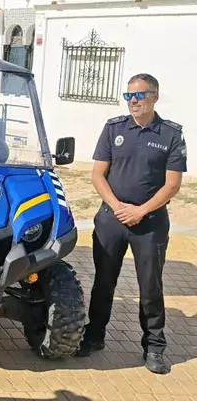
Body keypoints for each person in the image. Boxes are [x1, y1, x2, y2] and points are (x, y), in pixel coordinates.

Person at [77, 73, 187, 374]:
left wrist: (140, 211)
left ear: (155, 96)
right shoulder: (114, 128)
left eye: (139, 95)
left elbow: (172, 185)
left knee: (150, 286)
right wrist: (117, 208)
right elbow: (97, 174)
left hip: (149, 222)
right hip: (112, 219)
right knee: (103, 282)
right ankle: (94, 336)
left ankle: (154, 347)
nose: (133, 101)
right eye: (128, 96)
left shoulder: (171, 134)